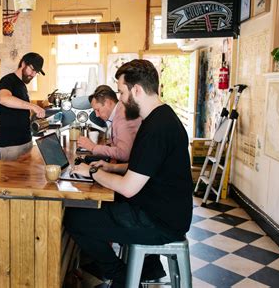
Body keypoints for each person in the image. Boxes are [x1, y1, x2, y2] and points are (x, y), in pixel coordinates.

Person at [65, 59, 193, 286]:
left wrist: (92, 171)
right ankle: (145, 269)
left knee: (76, 219)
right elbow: (142, 167)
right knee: (100, 206)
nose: (121, 99)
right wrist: (110, 167)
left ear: (136, 90)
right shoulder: (160, 118)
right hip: (162, 211)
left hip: (159, 221)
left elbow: (129, 187)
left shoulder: (157, 128)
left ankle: (122, 276)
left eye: (122, 92)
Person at [0, 52, 46, 161]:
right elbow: (4, 99)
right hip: (11, 145)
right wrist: (33, 106)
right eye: (32, 69)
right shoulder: (8, 80)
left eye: (36, 72)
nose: (33, 74)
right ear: (23, 63)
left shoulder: (22, 85)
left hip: (25, 141)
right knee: (11, 177)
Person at [77, 85, 141, 162]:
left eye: (97, 110)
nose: (97, 115)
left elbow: (124, 154)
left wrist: (93, 147)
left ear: (107, 102)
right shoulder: (119, 111)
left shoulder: (123, 116)